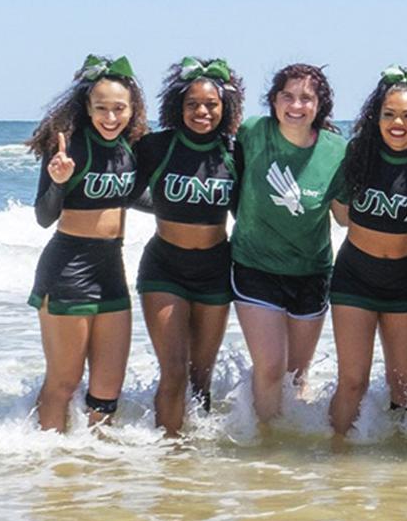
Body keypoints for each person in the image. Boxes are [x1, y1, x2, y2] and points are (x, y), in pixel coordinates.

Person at [26, 54, 147, 432]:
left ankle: (97, 476)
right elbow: (44, 217)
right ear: (87, 107)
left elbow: (143, 199)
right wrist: (59, 180)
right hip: (67, 270)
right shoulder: (68, 148)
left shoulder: (131, 149)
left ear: (132, 110)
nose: (110, 117)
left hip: (111, 271)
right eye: (101, 108)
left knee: (108, 390)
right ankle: (50, 467)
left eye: (118, 109)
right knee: (64, 382)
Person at [230, 63, 347, 428]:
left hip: (311, 272)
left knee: (296, 375)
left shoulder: (336, 150)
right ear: (274, 101)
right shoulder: (253, 132)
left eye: (306, 98)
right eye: (288, 96)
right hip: (255, 266)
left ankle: (290, 465)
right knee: (269, 368)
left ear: (319, 105)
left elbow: (344, 217)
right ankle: (265, 448)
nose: (296, 105)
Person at [326, 66, 407, 439]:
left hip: (405, 281)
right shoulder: (359, 153)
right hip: (354, 278)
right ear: (376, 118)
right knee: (353, 381)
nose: (398, 123)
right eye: (389, 114)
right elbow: (341, 215)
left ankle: (402, 468)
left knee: (405, 384)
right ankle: (336, 457)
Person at [134, 56, 241, 435]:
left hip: (215, 269)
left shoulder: (234, 151)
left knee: (201, 377)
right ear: (178, 107)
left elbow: (247, 208)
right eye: (192, 104)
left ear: (224, 107)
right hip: (165, 268)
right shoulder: (156, 146)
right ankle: (168, 452)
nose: (202, 111)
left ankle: (194, 469)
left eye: (211, 104)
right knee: (174, 371)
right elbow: (123, 187)